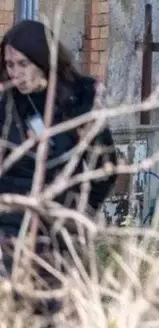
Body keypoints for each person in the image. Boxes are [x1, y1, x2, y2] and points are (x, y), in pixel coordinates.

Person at [0, 19, 117, 318]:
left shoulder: (79, 99)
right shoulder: (7, 104)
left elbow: (105, 166)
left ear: (43, 59)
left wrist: (81, 212)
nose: (16, 73)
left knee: (64, 311)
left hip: (63, 220)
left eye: (23, 63)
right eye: (10, 64)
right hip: (12, 223)